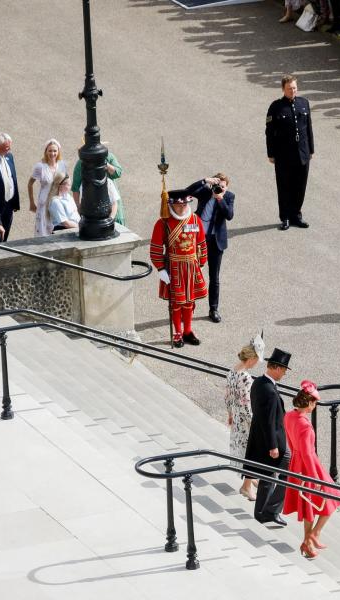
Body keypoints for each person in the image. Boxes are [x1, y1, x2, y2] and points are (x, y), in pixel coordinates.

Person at [282, 380, 340, 559]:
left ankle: (308, 541)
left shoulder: (289, 416)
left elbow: (290, 442)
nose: (315, 406)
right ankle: (314, 534)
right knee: (334, 496)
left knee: (307, 503)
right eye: (314, 402)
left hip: (296, 462)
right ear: (308, 402)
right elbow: (308, 453)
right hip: (309, 466)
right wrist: (315, 477)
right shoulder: (306, 426)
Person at [149, 189, 208, 348]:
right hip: (173, 267)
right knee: (176, 303)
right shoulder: (163, 223)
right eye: (177, 205)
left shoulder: (195, 219)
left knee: (189, 301)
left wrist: (201, 263)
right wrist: (161, 269)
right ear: (171, 205)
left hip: (191, 266)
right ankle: (177, 332)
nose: (182, 208)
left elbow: (201, 243)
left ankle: (188, 331)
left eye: (184, 204)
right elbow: (155, 249)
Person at [246, 348, 293, 526]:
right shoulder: (271, 392)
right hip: (273, 442)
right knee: (288, 472)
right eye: (284, 370)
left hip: (261, 438)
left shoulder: (258, 382)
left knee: (267, 474)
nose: (284, 374)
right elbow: (268, 421)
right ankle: (271, 510)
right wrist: (273, 446)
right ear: (278, 368)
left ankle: (261, 512)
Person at [266, 75, 314, 231]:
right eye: (289, 88)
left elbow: (308, 129)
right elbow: (269, 132)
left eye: (294, 88)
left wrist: (311, 150)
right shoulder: (276, 107)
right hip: (284, 155)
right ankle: (285, 217)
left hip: (302, 154)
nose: (292, 91)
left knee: (300, 186)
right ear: (283, 89)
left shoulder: (304, 103)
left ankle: (296, 215)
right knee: (285, 186)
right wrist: (271, 153)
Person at [186, 174, 234, 323]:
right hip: (197, 238)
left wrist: (220, 198)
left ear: (227, 187)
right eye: (217, 185)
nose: (219, 188)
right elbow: (188, 191)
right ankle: (188, 307)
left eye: (223, 186)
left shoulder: (229, 197)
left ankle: (213, 309)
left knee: (215, 277)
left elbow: (229, 215)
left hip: (216, 241)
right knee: (191, 273)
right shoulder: (205, 191)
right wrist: (204, 181)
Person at [226, 333, 265, 501]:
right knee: (252, 452)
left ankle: (251, 479)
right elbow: (247, 403)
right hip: (246, 420)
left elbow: (227, 396)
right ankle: (246, 486)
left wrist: (230, 414)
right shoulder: (246, 377)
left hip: (236, 417)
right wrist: (254, 422)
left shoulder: (232, 371)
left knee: (245, 450)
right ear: (252, 358)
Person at [71, 146, 125, 225]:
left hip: (112, 203)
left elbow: (118, 172)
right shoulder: (80, 163)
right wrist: (79, 208)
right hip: (93, 210)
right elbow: (75, 188)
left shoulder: (108, 157)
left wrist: (105, 164)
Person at [27, 139, 68, 237]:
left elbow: (66, 183)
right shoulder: (40, 167)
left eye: (55, 151)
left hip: (58, 201)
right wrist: (32, 203)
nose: (52, 153)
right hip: (44, 202)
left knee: (58, 228)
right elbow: (30, 184)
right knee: (44, 231)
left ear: (58, 152)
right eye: (50, 150)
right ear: (46, 151)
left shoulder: (62, 165)